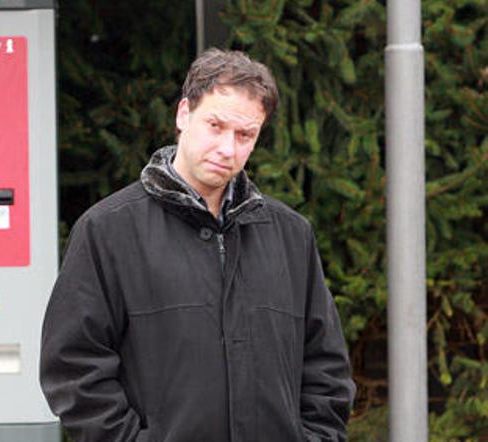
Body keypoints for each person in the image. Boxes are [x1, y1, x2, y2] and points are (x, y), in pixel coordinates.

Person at [40, 48, 355, 442]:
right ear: (183, 114)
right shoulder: (107, 230)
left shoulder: (291, 235)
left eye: (245, 135)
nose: (228, 148)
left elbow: (326, 369)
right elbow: (73, 365)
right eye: (215, 126)